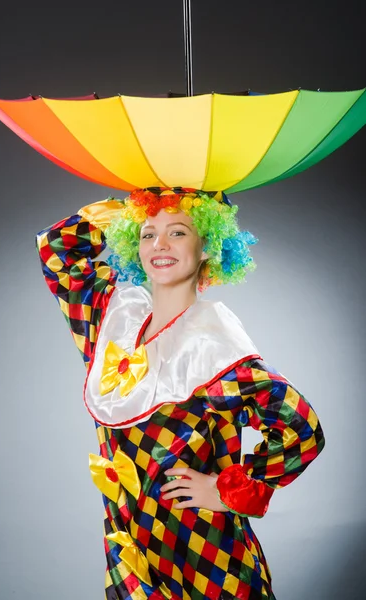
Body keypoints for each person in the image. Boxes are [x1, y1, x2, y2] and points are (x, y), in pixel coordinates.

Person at [36, 187, 325, 600]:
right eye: (147, 234)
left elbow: (302, 430)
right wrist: (142, 200)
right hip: (131, 551)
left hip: (205, 552)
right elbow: (55, 251)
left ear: (207, 246)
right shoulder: (110, 317)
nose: (160, 246)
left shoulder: (219, 347)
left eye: (178, 232)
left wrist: (227, 491)